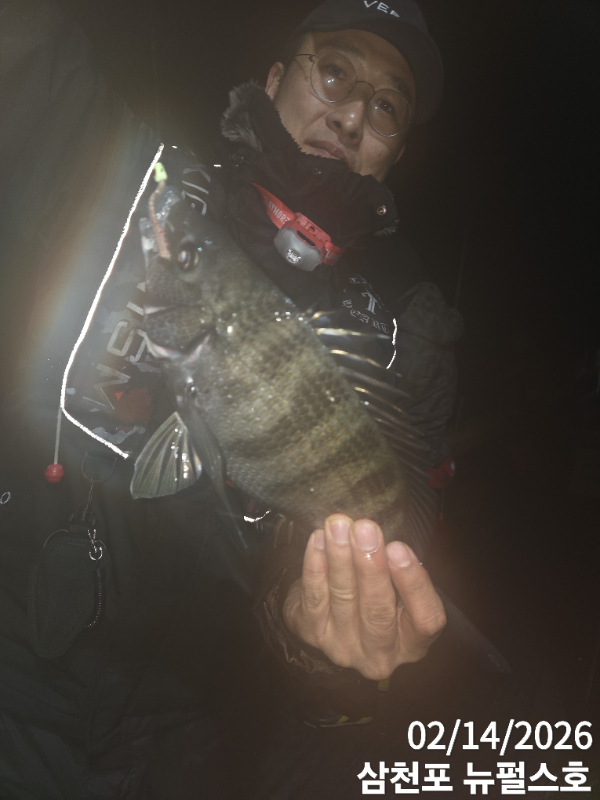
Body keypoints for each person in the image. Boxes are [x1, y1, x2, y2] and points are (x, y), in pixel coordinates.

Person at [0, 0, 460, 796]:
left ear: (395, 151)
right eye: (334, 72)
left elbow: (333, 591)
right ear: (275, 79)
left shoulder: (402, 338)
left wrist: (323, 645)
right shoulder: (140, 183)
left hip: (191, 743)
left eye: (386, 106)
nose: (352, 115)